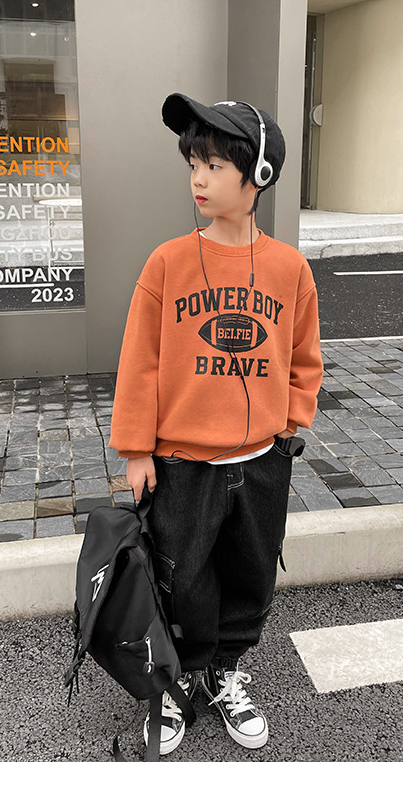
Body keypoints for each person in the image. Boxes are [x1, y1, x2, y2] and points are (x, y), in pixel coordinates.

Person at [109, 93, 324, 756]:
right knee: (182, 579)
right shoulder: (167, 262)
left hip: (261, 462)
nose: (198, 179)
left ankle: (227, 670)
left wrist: (290, 423)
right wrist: (136, 449)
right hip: (182, 464)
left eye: (213, 165)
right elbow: (140, 362)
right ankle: (176, 680)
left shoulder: (289, 269)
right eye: (193, 164)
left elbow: (304, 357)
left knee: (251, 574)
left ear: (258, 174)